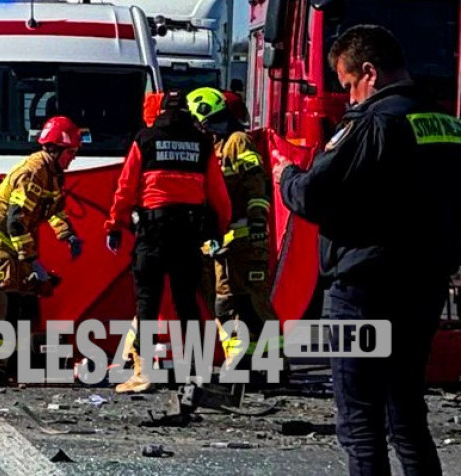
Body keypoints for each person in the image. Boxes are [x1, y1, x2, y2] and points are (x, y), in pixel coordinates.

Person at [274, 25, 461, 476]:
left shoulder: (372, 123)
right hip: (424, 284)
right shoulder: (447, 125)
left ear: (370, 73)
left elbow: (313, 195)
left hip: (364, 287)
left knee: (360, 424)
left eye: (349, 85)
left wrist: (284, 175)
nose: (349, 98)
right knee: (408, 417)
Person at [105, 90, 231, 393]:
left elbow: (126, 187)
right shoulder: (203, 143)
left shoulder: (145, 139)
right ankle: (197, 372)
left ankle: (144, 373)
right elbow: (219, 194)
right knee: (187, 302)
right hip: (188, 233)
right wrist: (217, 228)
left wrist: (115, 224)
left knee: (147, 304)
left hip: (152, 231)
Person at [187, 86, 278, 370]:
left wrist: (257, 224)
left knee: (253, 304)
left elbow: (256, 184)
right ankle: (243, 361)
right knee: (225, 305)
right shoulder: (211, 148)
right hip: (221, 244)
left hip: (245, 240)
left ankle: (273, 364)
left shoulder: (237, 142)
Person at [0, 116, 84, 343]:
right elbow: (16, 220)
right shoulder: (32, 173)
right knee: (6, 296)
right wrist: (32, 260)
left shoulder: (53, 173)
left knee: (28, 297)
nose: (74, 158)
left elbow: (54, 210)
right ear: (56, 149)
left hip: (14, 240)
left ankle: (16, 360)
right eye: (71, 152)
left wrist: (67, 233)